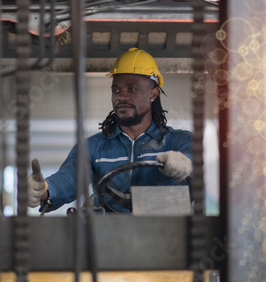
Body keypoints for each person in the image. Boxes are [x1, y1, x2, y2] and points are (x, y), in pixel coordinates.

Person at [27, 48, 192, 213]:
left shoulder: (177, 141)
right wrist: (44, 190)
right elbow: (69, 179)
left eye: (131, 89)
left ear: (153, 94)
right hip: (107, 235)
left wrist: (185, 163)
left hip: (165, 235)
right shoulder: (93, 147)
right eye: (116, 90)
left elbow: (193, 159)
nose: (121, 97)